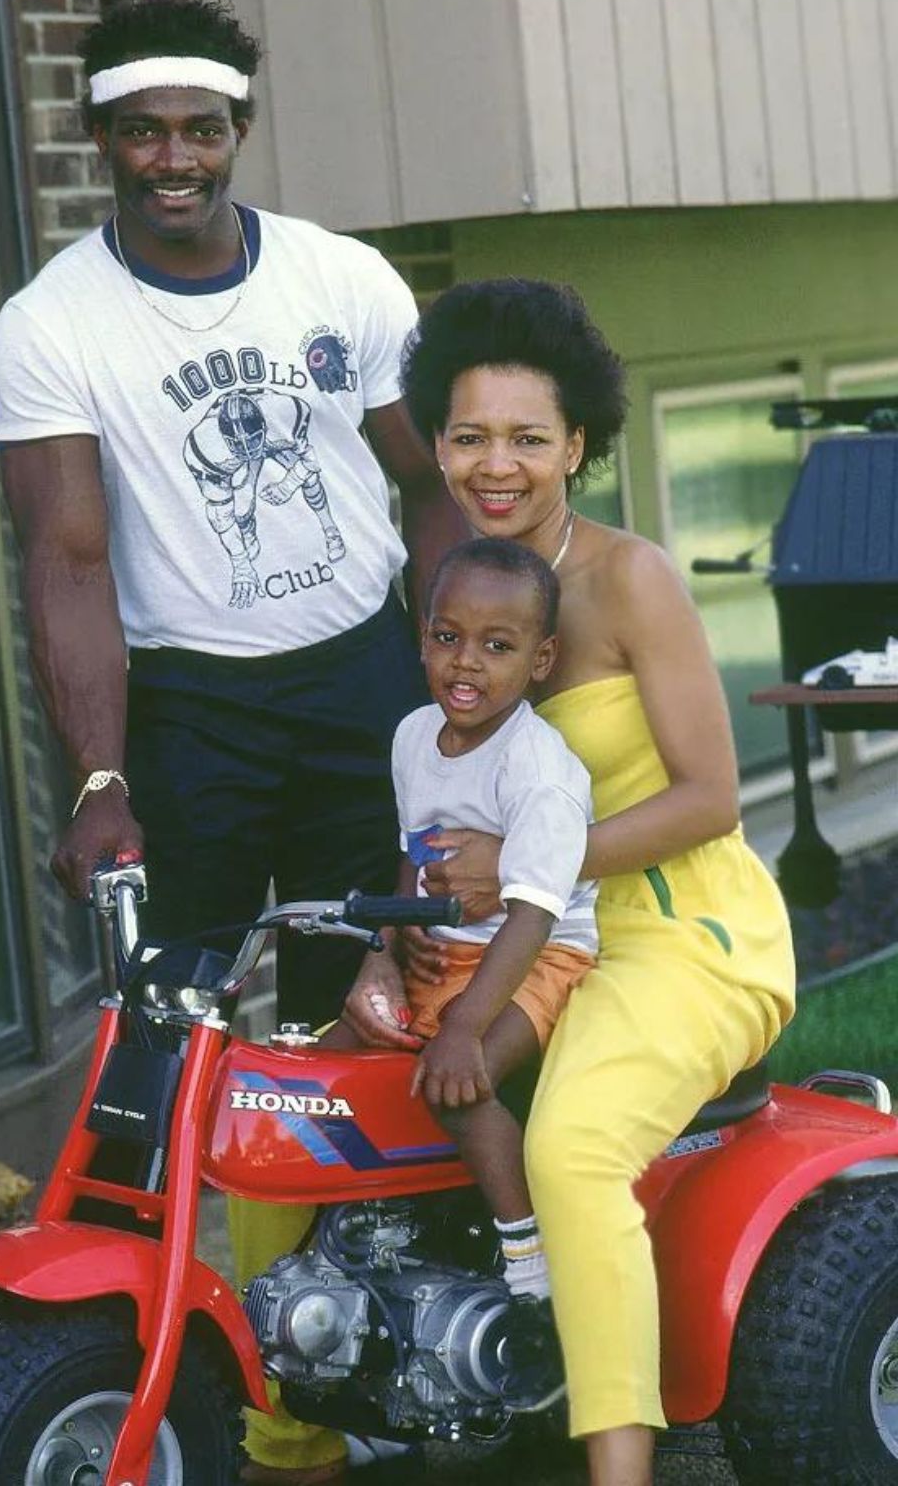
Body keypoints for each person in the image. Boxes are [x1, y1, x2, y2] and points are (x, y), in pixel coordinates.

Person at [338, 278, 797, 1486]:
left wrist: (518, 870)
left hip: (676, 934)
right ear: (434, 443)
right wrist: (396, 938)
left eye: (528, 438)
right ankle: (294, 1439)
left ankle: (619, 1472)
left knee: (575, 1145)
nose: (498, 463)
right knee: (312, 1096)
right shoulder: (451, 589)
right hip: (508, 942)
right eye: (471, 435)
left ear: (577, 445)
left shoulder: (629, 578)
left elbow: (711, 796)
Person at [0, 0, 462, 1029]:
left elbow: (429, 484)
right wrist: (99, 779)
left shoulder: (343, 277)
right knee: (172, 1020)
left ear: (238, 132)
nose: (174, 159)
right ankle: (158, 1193)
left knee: (366, 1012)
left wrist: (448, 678)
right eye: (145, 130)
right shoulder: (49, 326)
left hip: (361, 676)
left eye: (201, 129)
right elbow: (68, 563)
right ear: (99, 135)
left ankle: (355, 1204)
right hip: (190, 709)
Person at [320, 537, 598, 1411]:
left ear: (540, 659)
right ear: (423, 639)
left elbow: (535, 912)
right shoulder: (411, 736)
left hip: (535, 957)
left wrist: (469, 1025)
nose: (466, 662)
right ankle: (351, 1257)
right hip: (448, 949)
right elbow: (417, 858)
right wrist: (387, 957)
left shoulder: (539, 767)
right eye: (448, 637)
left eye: (497, 645)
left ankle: (528, 1264)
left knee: (463, 1087)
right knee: (328, 1061)